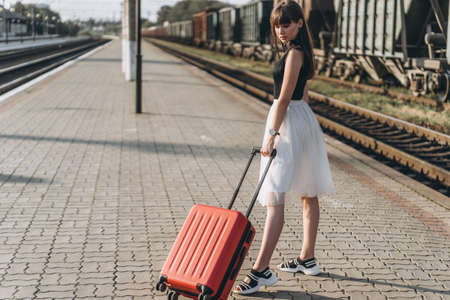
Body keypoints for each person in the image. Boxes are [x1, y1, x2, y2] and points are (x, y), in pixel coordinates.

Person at [233, 0, 335, 295]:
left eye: (286, 24)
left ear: (300, 24)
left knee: (274, 195)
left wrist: (272, 134)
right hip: (302, 120)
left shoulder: (294, 54)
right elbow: (304, 93)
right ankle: (307, 258)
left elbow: (286, 98)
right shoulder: (302, 52)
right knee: (308, 192)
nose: (281, 29)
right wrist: (305, 127)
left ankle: (261, 270)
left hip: (287, 123)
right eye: (277, 25)